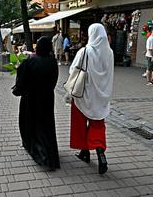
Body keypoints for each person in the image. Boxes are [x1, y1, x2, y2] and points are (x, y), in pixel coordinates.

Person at [68, 23, 114, 175]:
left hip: (83, 94)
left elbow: (73, 70)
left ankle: (85, 152)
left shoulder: (85, 51)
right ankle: (101, 154)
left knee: (79, 123)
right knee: (98, 124)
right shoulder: (110, 52)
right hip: (101, 96)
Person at [13, 36, 60, 170]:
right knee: (46, 125)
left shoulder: (31, 61)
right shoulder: (52, 61)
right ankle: (49, 151)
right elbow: (54, 79)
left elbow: (21, 80)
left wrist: (19, 68)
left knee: (30, 122)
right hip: (47, 98)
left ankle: (37, 149)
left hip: (31, 98)